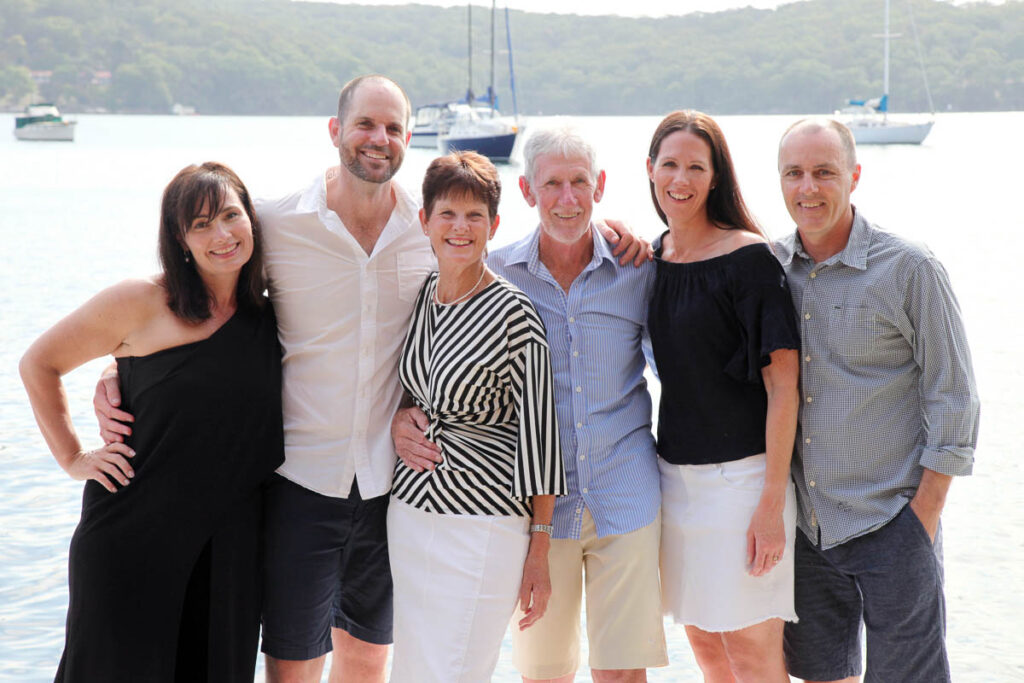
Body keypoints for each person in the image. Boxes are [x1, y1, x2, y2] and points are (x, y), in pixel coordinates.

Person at [93, 75, 646, 683]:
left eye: (392, 128)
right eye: (365, 124)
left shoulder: (429, 230)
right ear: (335, 131)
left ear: (408, 139)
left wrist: (613, 232)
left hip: (393, 488)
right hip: (302, 481)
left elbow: (512, 264)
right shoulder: (274, 224)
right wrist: (125, 365)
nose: (377, 139)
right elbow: (203, 289)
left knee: (371, 657)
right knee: (294, 661)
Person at [395, 127, 668, 683]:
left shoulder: (638, 269)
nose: (567, 199)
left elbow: (680, 369)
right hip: (535, 509)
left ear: (601, 187)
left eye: (579, 183)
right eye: (552, 184)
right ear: (526, 191)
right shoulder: (490, 271)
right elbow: (434, 368)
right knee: (543, 672)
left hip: (624, 491)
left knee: (621, 672)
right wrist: (400, 415)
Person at [20, 162, 284, 682]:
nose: (222, 234)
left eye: (232, 215)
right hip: (132, 539)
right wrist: (74, 457)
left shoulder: (272, 311)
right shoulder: (142, 300)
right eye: (201, 224)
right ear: (180, 240)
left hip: (230, 549)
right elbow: (39, 364)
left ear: (252, 219)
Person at [774, 119, 980, 683]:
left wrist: (924, 515)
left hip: (894, 521)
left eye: (824, 172)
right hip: (809, 531)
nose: (807, 188)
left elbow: (955, 395)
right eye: (794, 173)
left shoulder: (910, 269)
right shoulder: (770, 268)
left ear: (854, 176)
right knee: (819, 677)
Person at [645, 110, 800, 682]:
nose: (679, 179)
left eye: (694, 167)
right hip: (673, 483)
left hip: (743, 484)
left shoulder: (749, 260)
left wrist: (769, 503)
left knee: (753, 655)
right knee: (707, 647)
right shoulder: (654, 256)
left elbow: (785, 386)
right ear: (651, 171)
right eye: (669, 165)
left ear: (715, 178)